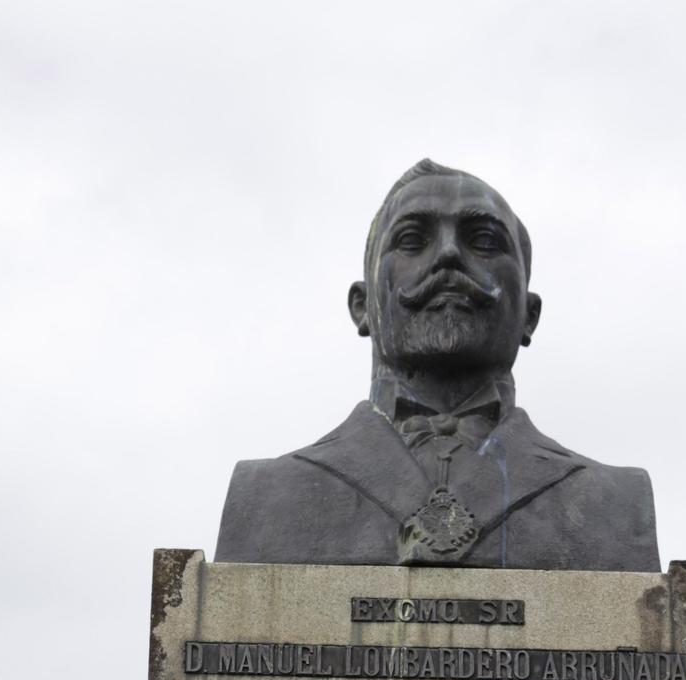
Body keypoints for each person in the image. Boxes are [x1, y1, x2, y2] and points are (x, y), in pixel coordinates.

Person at [215, 161, 659, 571]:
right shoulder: (269, 496)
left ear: (529, 314)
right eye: (412, 240)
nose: (448, 254)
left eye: (484, 241)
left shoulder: (614, 504)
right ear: (362, 306)